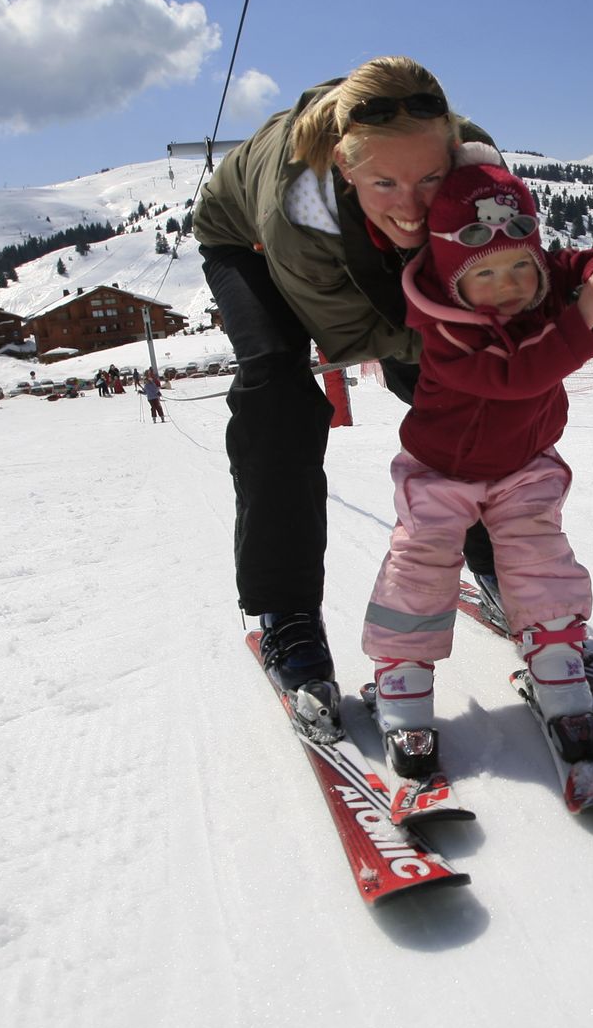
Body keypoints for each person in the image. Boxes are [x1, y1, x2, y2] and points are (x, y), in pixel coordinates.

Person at [194, 56, 554, 707]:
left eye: (431, 178)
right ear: (347, 165)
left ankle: (501, 566)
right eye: (386, 181)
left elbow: (506, 266)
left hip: (364, 240)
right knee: (277, 390)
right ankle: (287, 614)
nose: (414, 206)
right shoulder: (299, 205)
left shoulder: (480, 171)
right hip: (248, 244)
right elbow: (362, 337)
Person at [360, 157, 593, 774]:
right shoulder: (442, 324)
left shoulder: (534, 276)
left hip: (525, 463)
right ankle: (402, 675)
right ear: (454, 276)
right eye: (488, 274)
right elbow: (515, 376)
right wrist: (580, 320)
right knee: (422, 560)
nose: (509, 286)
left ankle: (557, 664)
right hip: (440, 470)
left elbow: (574, 263)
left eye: (520, 267)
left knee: (540, 554)